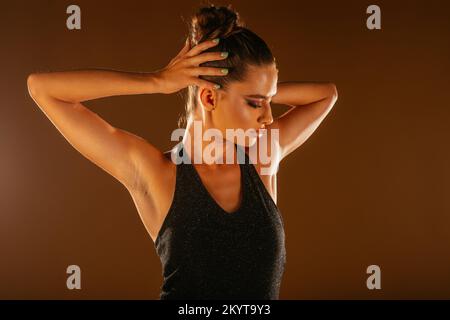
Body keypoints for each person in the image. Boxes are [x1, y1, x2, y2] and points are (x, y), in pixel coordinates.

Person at [27, 4, 338, 299]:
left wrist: (251, 91)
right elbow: (44, 89)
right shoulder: (156, 172)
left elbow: (326, 95)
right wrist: (158, 81)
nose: (269, 117)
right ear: (209, 98)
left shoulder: (262, 157)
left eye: (269, 101)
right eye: (256, 104)